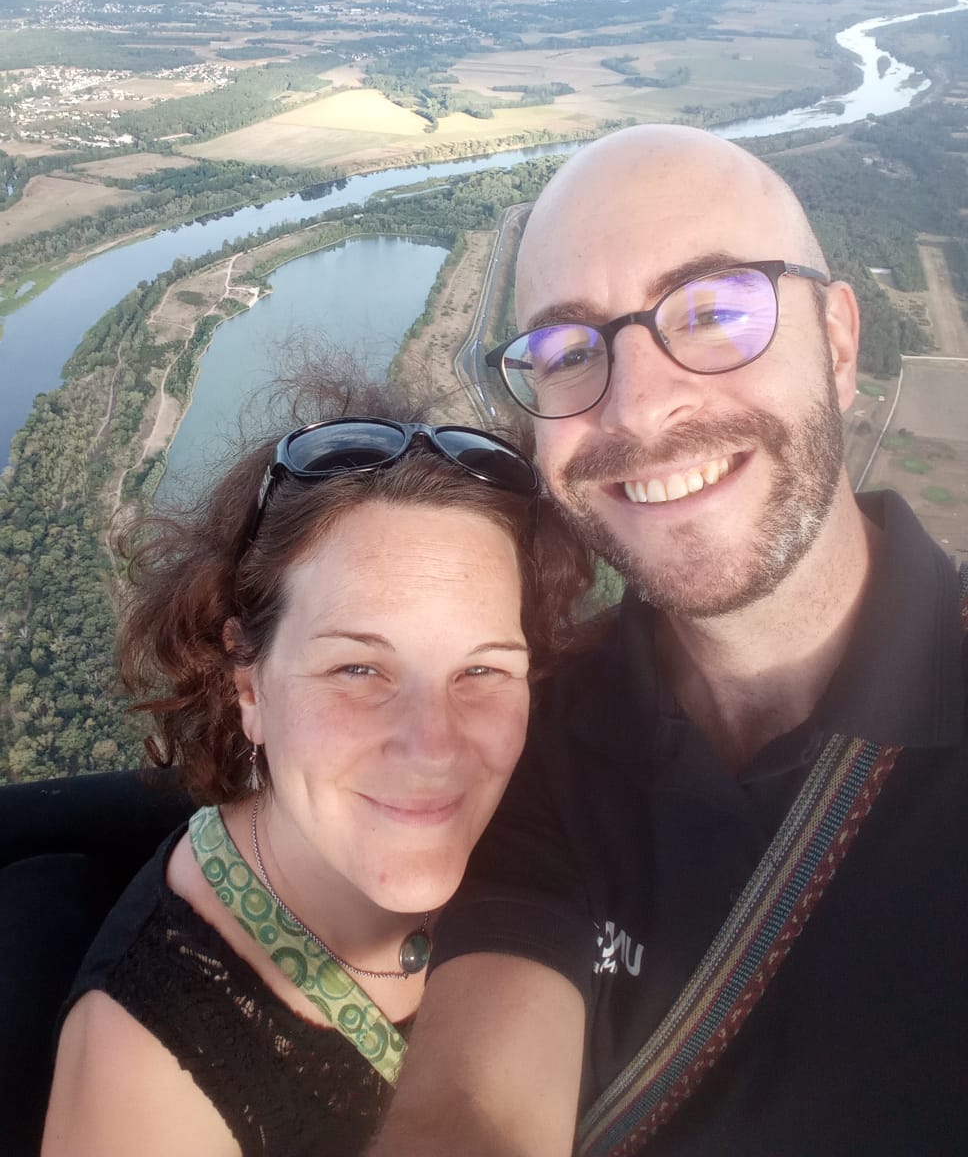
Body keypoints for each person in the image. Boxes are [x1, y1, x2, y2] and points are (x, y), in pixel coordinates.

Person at [370, 125, 968, 1157]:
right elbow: (468, 1113)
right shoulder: (534, 738)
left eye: (711, 311)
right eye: (567, 352)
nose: (639, 409)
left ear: (834, 339)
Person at [41, 366, 593, 1157]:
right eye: (358, 670)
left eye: (482, 670)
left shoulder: (552, 816)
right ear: (248, 683)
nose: (433, 746)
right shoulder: (140, 1083)